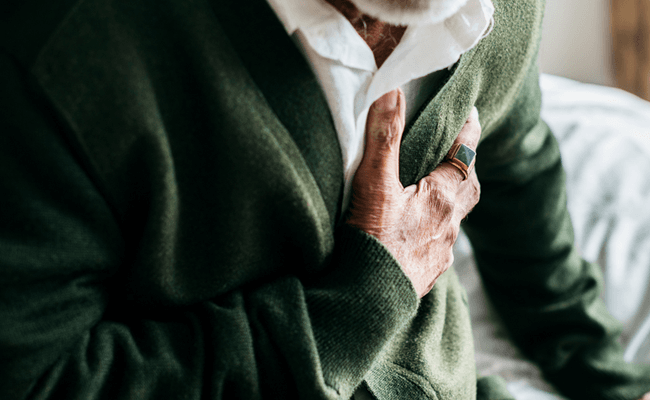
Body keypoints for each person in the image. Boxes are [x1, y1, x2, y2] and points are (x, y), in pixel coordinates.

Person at [0, 0, 649, 399]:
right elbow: (34, 380)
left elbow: (521, 178)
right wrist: (356, 306)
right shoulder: (62, 49)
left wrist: (610, 383)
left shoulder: (506, 12)